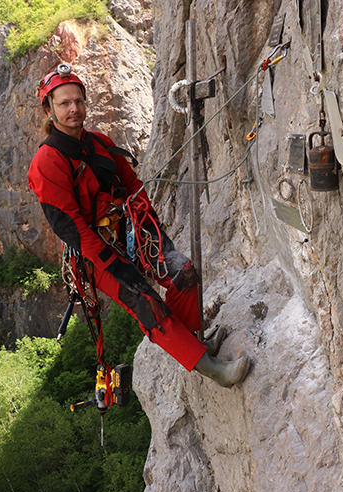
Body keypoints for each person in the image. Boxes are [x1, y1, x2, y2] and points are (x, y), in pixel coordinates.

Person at [27, 64, 250, 388]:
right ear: (49, 109)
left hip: (133, 233)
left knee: (183, 271)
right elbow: (71, 226)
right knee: (147, 303)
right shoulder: (48, 161)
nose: (74, 109)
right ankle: (214, 371)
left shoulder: (99, 143)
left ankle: (193, 345)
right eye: (64, 103)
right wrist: (113, 264)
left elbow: (131, 183)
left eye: (78, 101)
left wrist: (151, 227)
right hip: (96, 253)